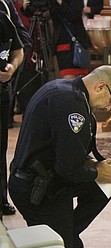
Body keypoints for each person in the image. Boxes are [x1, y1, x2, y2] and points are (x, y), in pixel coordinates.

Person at [9, 65, 111, 248]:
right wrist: (97, 171)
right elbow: (68, 169)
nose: (108, 107)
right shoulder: (73, 105)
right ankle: (66, 241)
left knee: (105, 185)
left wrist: (97, 166)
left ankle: (68, 237)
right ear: (101, 87)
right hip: (37, 191)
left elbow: (68, 153)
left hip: (44, 179)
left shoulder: (64, 89)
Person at [0, 0, 31, 216]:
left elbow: (20, 47)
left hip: (3, 92)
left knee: (1, 147)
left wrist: (11, 68)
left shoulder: (5, 8)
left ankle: (1, 199)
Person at [50, 0, 92, 78]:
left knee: (79, 81)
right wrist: (26, 6)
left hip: (77, 41)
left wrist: (61, 2)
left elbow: (74, 15)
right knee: (67, 81)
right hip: (62, 42)